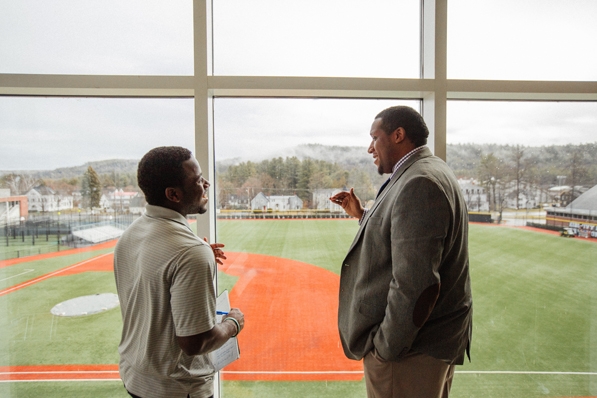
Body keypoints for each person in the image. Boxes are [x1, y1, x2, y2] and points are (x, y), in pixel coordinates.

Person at [330, 106, 472, 398]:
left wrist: (385, 349)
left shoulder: (418, 181)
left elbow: (415, 283)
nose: (370, 147)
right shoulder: (431, 169)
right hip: (430, 345)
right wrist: (363, 214)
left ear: (398, 135)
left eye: (375, 137)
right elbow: (409, 234)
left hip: (409, 355)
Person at [114, 146, 244, 398]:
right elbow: (196, 343)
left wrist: (197, 253)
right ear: (173, 194)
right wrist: (232, 324)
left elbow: (156, 275)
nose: (206, 184)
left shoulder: (131, 233)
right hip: (176, 390)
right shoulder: (190, 253)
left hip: (135, 378)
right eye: (197, 180)